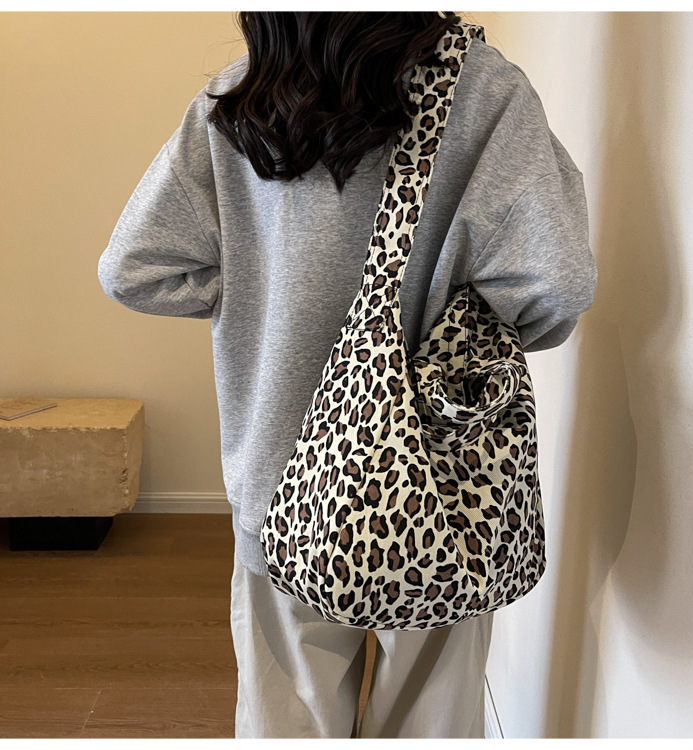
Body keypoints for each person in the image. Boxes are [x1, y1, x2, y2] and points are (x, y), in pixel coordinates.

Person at [97, 11, 598, 739]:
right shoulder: (483, 92)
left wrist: (262, 297)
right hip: (441, 492)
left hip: (278, 488)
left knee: (288, 720)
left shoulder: (240, 100)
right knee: (430, 719)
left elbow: (134, 269)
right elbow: (557, 280)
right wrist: (477, 332)